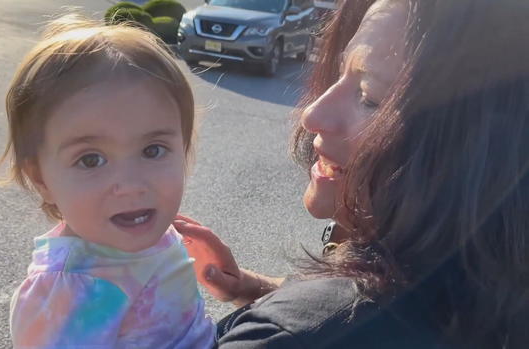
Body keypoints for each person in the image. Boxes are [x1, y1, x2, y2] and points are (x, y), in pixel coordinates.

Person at [175, 0, 529, 347]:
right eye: (341, 72)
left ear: (478, 150)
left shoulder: (290, 336)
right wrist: (251, 288)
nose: (313, 115)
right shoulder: (492, 281)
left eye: (369, 96)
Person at [0, 15, 214, 348]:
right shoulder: (72, 292)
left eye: (153, 150)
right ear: (41, 179)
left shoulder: (141, 227)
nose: (132, 185)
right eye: (91, 159)